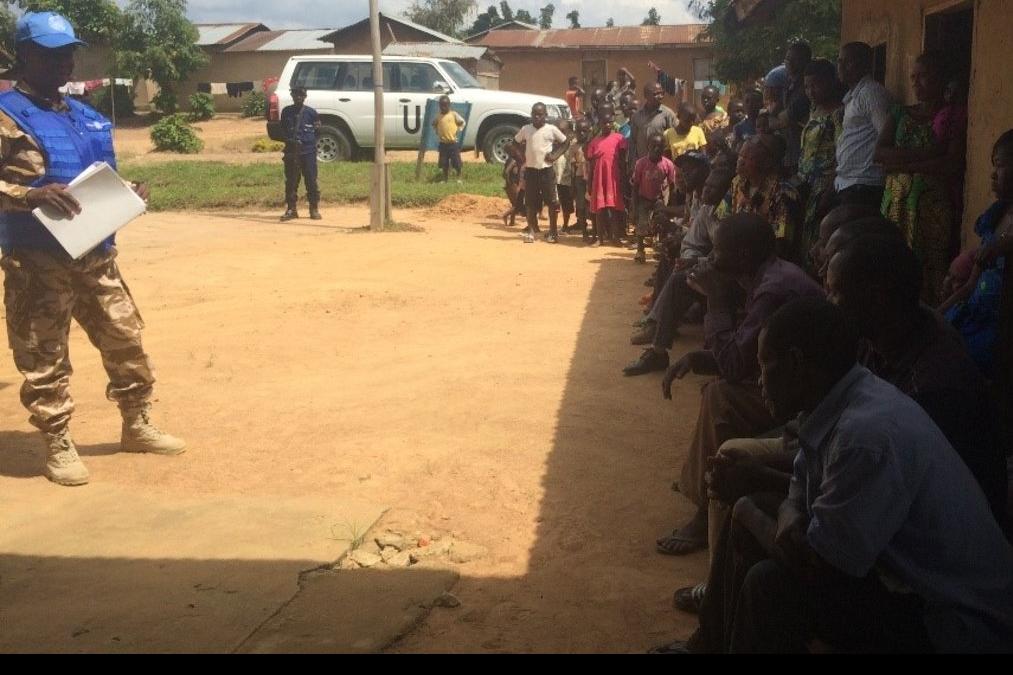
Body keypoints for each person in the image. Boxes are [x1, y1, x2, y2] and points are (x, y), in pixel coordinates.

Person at [731, 298, 1013, 653]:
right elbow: (801, 481)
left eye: (764, 365)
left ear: (796, 363)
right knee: (759, 519)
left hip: (958, 622)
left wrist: (747, 510)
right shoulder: (842, 398)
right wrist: (786, 510)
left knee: (768, 582)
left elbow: (822, 568)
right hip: (909, 585)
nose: (759, 380)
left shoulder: (864, 436)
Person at [0, 12, 185, 486]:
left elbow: (97, 177)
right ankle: (57, 441)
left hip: (96, 257)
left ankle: (136, 423)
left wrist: (127, 190)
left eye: (68, 54)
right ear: (25, 55)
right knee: (44, 356)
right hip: (37, 262)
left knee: (126, 340)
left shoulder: (85, 116)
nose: (64, 63)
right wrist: (29, 195)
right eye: (51, 54)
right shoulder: (6, 116)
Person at [654, 214, 823, 555]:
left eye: (717, 250)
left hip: (811, 401)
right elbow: (745, 353)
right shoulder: (768, 276)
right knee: (717, 389)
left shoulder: (772, 290)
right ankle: (701, 481)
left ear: (743, 256)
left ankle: (705, 509)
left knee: (721, 396)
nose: (711, 258)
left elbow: (735, 365)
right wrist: (697, 358)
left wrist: (715, 298)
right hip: (793, 386)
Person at [827, 235, 1008, 520]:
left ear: (877, 298)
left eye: (835, 292)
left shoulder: (931, 387)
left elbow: (875, 490)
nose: (829, 302)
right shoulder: (883, 334)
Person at [624, 158, 734, 376]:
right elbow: (692, 242)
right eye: (707, 186)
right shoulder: (706, 210)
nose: (707, 191)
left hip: (731, 277)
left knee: (679, 277)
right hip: (710, 267)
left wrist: (694, 262)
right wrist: (688, 258)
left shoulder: (728, 216)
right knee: (675, 264)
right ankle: (658, 341)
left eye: (713, 188)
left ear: (725, 192)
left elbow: (728, 258)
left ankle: (658, 335)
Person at [877, 51, 963, 304]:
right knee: (893, 261)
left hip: (932, 209)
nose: (916, 83)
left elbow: (950, 164)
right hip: (896, 205)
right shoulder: (899, 113)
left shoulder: (952, 116)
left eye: (923, 76)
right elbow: (879, 153)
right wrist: (929, 154)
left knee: (929, 267)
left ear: (941, 78)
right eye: (913, 77)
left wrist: (902, 164)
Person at [940, 130, 1013, 380]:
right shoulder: (997, 217)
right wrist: (938, 313)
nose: (993, 174)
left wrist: (1004, 245)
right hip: (974, 315)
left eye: (1000, 165)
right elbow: (971, 285)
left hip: (1001, 330)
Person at [719, 135, 802, 262]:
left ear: (767, 162)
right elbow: (722, 219)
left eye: (748, 158)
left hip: (766, 262)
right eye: (740, 155)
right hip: (737, 255)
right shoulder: (737, 182)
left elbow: (781, 243)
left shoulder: (784, 193)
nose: (740, 161)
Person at [796, 58, 844, 273]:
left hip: (825, 186)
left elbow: (842, 155)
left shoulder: (839, 114)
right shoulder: (813, 111)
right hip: (805, 185)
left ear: (831, 82)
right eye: (807, 86)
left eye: (816, 85)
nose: (810, 91)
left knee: (819, 241)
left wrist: (830, 187)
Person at [834, 42, 892, 209]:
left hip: (864, 184)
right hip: (848, 183)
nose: (841, 67)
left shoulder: (871, 93)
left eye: (848, 62)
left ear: (865, 65)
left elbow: (886, 134)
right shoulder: (853, 96)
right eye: (840, 61)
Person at [513, 102, 568, 244]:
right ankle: (531, 231)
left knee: (551, 202)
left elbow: (565, 142)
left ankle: (553, 232)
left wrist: (555, 155)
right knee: (530, 202)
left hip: (546, 171)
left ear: (545, 115)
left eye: (540, 114)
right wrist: (521, 157)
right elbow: (515, 142)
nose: (537, 117)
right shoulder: (526, 129)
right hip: (531, 171)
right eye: (534, 114)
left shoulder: (551, 129)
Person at [586, 103, 628, 247]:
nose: (607, 125)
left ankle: (615, 237)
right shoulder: (594, 142)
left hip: (613, 179)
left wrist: (623, 179)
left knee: (614, 210)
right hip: (599, 180)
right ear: (600, 123)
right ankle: (599, 238)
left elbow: (622, 161)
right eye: (604, 122)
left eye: (610, 122)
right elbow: (591, 165)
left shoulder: (619, 139)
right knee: (599, 210)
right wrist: (589, 183)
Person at [630, 134, 676, 263]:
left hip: (660, 199)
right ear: (648, 146)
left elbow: (672, 186)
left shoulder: (668, 164)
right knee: (641, 224)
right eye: (653, 146)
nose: (656, 149)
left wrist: (670, 205)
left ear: (664, 148)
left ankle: (661, 250)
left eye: (660, 146)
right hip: (643, 197)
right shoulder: (641, 163)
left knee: (661, 223)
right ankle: (640, 250)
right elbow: (636, 185)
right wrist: (634, 205)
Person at [280, 85, 321, 221]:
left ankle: (314, 208)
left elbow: (317, 131)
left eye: (301, 95)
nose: (298, 97)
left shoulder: (311, 113)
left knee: (311, 181)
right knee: (291, 182)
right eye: (295, 95)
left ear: (305, 96)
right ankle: (291, 209)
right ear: (292, 96)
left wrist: (307, 142)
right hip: (292, 151)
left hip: (308, 152)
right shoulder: (286, 112)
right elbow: (283, 130)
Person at [631, 82, 678, 166]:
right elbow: (633, 141)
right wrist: (632, 163)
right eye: (656, 94)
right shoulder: (637, 116)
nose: (660, 96)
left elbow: (675, 138)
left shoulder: (668, 114)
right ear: (646, 95)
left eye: (661, 93)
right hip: (642, 165)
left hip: (662, 165)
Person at [566, 117, 592, 238]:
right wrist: (572, 184)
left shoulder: (593, 144)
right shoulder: (574, 147)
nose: (581, 133)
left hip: (592, 178)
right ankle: (584, 230)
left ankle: (596, 229)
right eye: (579, 131)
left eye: (584, 131)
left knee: (592, 204)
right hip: (580, 178)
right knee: (581, 204)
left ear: (589, 131)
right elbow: (572, 166)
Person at [432, 94, 465, 184]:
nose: (443, 107)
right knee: (444, 162)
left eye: (445, 105)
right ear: (439, 106)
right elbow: (434, 124)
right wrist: (437, 131)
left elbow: (462, 122)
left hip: (453, 143)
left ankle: (459, 177)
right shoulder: (438, 116)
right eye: (441, 105)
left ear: (449, 105)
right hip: (443, 144)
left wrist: (459, 129)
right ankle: (444, 179)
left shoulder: (453, 114)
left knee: (456, 162)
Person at [553, 120, 575, 233]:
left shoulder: (572, 145)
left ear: (570, 132)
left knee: (566, 205)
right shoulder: (553, 144)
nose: (559, 134)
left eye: (562, 131)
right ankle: (553, 227)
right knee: (554, 204)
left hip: (566, 180)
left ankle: (565, 225)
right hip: (554, 180)